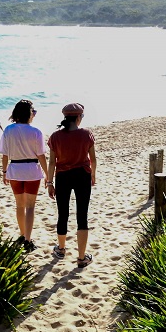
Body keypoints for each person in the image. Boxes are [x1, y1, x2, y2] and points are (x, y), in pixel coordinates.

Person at [46, 102, 96, 268]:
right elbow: (93, 159)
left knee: (63, 213)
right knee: (82, 215)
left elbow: (52, 162)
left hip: (63, 177)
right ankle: (81, 258)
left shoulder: (55, 136)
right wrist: (93, 175)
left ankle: (61, 249)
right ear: (78, 117)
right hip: (82, 175)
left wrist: (49, 182)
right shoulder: (86, 134)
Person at [0, 99, 50, 252]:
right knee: (30, 207)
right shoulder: (36, 132)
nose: (34, 115)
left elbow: (5, 155)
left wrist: (4, 172)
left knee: (19, 205)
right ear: (28, 113)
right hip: (32, 170)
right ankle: (28, 239)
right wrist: (48, 175)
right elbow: (41, 156)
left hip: (14, 169)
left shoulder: (8, 130)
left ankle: (22, 235)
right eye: (33, 112)